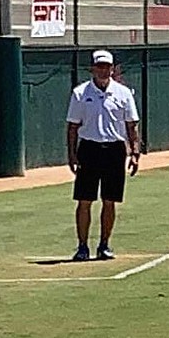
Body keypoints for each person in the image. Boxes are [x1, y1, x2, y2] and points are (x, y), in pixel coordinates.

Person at [66, 50, 141, 262]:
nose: (103, 70)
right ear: (93, 68)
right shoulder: (80, 93)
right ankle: (82, 247)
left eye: (107, 66)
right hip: (89, 149)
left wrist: (135, 153)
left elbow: (131, 125)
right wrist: (72, 154)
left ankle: (104, 245)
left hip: (115, 150)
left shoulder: (123, 93)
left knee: (110, 201)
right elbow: (72, 127)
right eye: (99, 66)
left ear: (112, 68)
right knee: (84, 200)